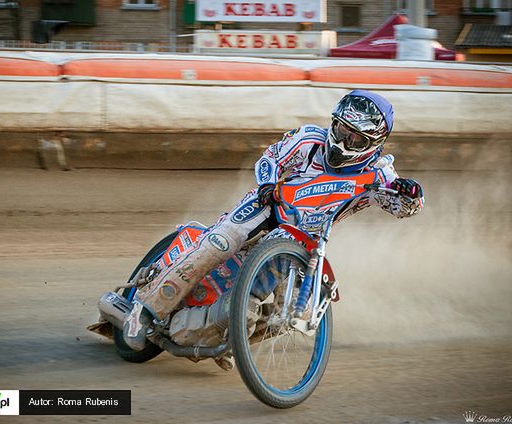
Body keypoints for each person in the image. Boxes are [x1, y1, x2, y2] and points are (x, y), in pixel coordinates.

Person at [123, 89, 424, 351]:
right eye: (342, 129)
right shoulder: (309, 139)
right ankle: (145, 311)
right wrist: (268, 184)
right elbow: (269, 158)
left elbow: (404, 206)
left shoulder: (381, 173)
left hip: (305, 238)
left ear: (374, 142)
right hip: (270, 205)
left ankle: (233, 346)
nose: (345, 140)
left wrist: (410, 193)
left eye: (355, 137)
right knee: (220, 243)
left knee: (288, 312)